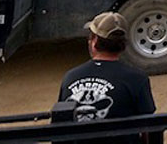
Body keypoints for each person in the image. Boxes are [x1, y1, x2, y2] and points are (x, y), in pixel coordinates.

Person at [58, 12, 158, 143]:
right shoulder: (137, 78)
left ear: (94, 41)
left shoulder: (70, 77)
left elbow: (60, 125)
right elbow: (149, 127)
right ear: (123, 44)